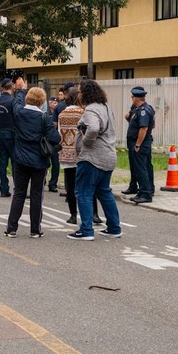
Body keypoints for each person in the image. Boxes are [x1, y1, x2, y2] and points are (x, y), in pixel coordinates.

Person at [3, 78, 60, 238]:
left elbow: (16, 103)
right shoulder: (44, 118)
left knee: (19, 193)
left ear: (28, 99)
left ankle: (11, 228)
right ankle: (35, 229)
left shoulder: (20, 113)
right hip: (39, 161)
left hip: (20, 159)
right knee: (36, 194)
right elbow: (56, 138)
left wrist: (22, 89)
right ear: (42, 101)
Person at [68, 80, 121, 241]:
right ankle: (114, 227)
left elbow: (92, 128)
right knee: (104, 191)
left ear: (86, 93)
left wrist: (85, 142)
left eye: (79, 92)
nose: (78, 94)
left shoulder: (90, 110)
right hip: (108, 156)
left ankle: (86, 230)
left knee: (83, 192)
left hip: (92, 157)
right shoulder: (106, 107)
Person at [123, 86, 156, 204]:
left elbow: (144, 128)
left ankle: (146, 193)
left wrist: (137, 145)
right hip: (141, 142)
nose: (132, 99)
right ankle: (143, 192)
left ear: (136, 98)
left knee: (141, 169)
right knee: (141, 168)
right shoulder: (141, 109)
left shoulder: (143, 110)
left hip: (140, 143)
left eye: (132, 97)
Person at [57, 84, 83, 224]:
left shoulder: (62, 114)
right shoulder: (82, 113)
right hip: (80, 152)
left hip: (66, 154)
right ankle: (93, 214)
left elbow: (59, 133)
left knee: (70, 186)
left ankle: (73, 215)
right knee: (85, 185)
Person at [48, 82, 74, 193]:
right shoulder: (81, 107)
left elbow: (53, 124)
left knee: (63, 165)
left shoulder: (60, 106)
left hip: (61, 140)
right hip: (76, 142)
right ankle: (71, 190)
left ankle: (66, 189)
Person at [0, 77, 17, 197]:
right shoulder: (12, 101)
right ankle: (17, 187)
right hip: (12, 133)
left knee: (3, 162)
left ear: (2, 88)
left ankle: (3, 189)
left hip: (1, 132)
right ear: (12, 87)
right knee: (14, 161)